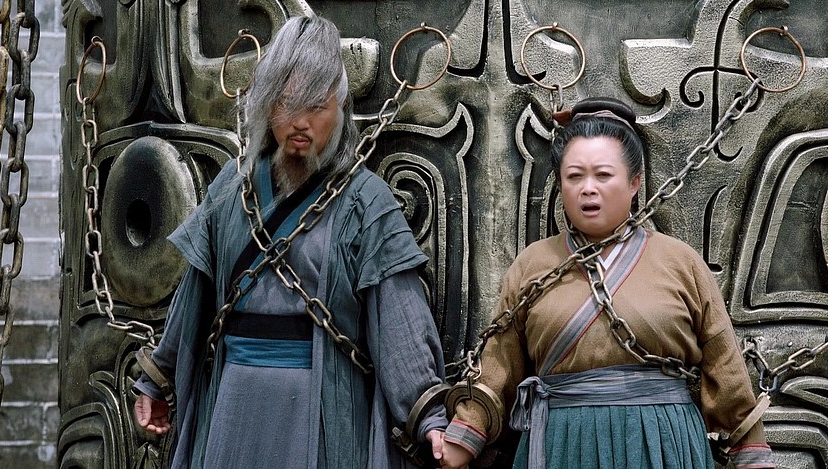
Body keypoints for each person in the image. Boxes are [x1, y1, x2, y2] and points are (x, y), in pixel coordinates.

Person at [133, 15, 448, 468]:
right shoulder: (231, 190)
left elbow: (400, 320)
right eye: (285, 102)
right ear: (266, 103)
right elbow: (193, 298)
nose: (300, 122)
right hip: (234, 402)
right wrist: (157, 379)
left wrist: (429, 417)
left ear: (340, 105)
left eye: (316, 105)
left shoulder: (367, 201)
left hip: (319, 405)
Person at [437, 97, 775, 468]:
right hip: (563, 441)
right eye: (574, 176)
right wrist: (465, 435)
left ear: (634, 183)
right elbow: (498, 363)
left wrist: (751, 453)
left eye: (603, 175)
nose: (588, 188)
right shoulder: (534, 263)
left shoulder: (680, 262)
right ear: (561, 184)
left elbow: (724, 363)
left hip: (662, 441)